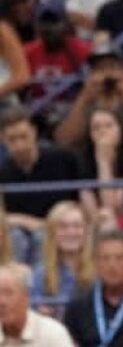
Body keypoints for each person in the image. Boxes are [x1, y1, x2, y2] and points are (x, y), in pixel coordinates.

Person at [0, 106, 81, 261]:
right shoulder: (2, 173)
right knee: (15, 237)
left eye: (23, 136)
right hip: (21, 234)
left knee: (40, 238)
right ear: (3, 140)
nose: (19, 145)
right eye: (12, 139)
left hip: (64, 228)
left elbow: (80, 201)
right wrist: (25, 221)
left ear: (34, 132)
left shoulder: (64, 159)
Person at [32, 200, 93, 311]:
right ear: (52, 233)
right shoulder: (41, 274)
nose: (71, 232)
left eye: (77, 226)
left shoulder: (100, 269)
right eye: (63, 227)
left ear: (86, 231)